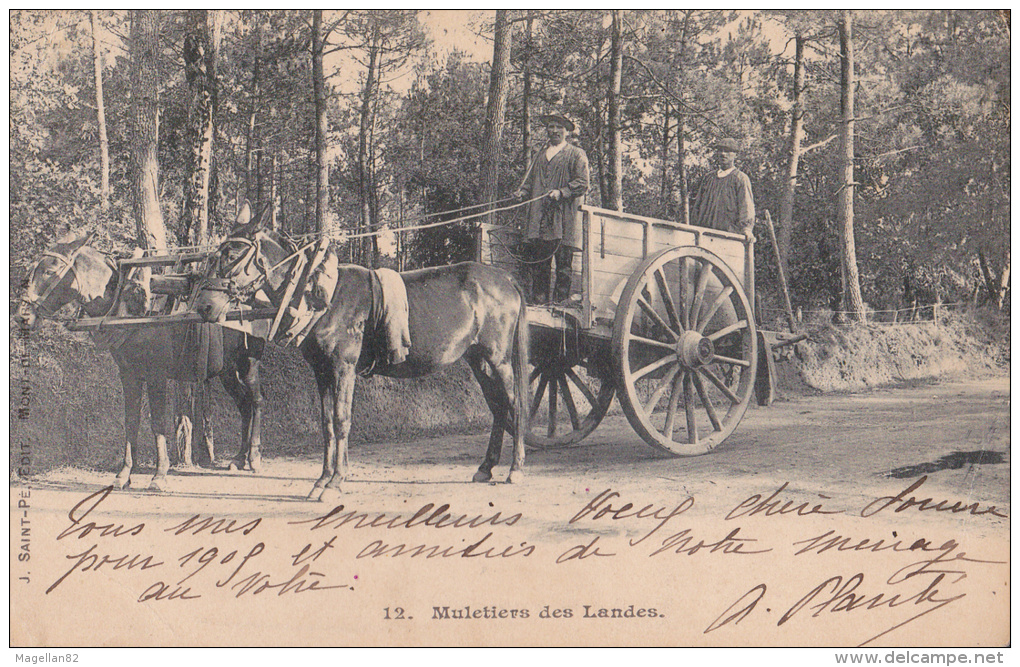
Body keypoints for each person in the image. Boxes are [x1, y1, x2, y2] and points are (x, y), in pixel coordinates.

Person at [515, 113, 590, 305]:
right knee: (540, 264)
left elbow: (582, 183)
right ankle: (540, 304)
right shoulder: (541, 154)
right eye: (551, 127)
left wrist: (562, 192)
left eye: (559, 127)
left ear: (567, 131)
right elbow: (531, 181)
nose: (554, 131)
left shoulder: (576, 154)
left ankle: (560, 305)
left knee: (563, 265)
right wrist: (523, 191)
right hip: (539, 221)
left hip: (563, 220)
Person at [690, 137, 755, 235]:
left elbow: (746, 206)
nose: (723, 154)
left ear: (735, 155)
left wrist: (747, 229)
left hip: (728, 235)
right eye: (720, 150)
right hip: (704, 233)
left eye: (728, 151)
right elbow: (697, 205)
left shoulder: (740, 178)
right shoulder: (708, 178)